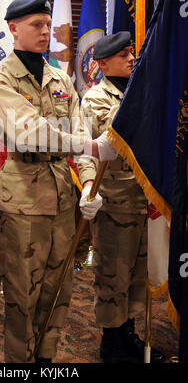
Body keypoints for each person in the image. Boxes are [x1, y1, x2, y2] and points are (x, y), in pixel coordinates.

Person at [0, 0, 118, 363]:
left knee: (58, 293)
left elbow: (80, 132)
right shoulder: (0, 80)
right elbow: (30, 132)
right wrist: (90, 146)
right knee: (22, 298)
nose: (46, 32)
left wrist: (89, 183)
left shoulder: (60, 78)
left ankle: (46, 362)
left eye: (48, 24)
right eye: (36, 26)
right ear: (13, 29)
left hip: (62, 198)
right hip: (23, 201)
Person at [78, 31, 166, 363]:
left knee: (138, 274)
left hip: (144, 200)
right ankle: (111, 342)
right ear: (102, 64)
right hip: (114, 202)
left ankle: (129, 333)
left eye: (132, 52)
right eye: (123, 54)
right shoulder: (96, 99)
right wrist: (88, 187)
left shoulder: (138, 94)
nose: (132, 58)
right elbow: (91, 146)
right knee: (113, 275)